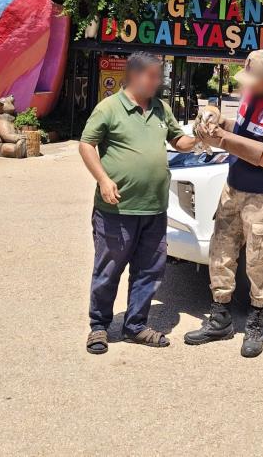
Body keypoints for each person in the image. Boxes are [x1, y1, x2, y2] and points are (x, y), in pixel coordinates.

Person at [78, 52, 199, 354]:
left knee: (149, 270)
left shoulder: (161, 109)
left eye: (160, 76)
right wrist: (104, 180)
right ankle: (99, 326)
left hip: (154, 209)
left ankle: (135, 325)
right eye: (154, 76)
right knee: (109, 269)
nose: (159, 82)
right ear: (134, 75)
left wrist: (197, 135)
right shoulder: (109, 108)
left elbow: (178, 141)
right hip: (117, 210)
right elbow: (86, 144)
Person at [184, 49, 263, 357]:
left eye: (252, 80)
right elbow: (242, 130)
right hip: (233, 189)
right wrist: (216, 119)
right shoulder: (252, 95)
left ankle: (255, 322)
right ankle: (219, 318)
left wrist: (220, 137)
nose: (246, 85)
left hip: (262, 197)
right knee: (221, 251)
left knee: (259, 261)